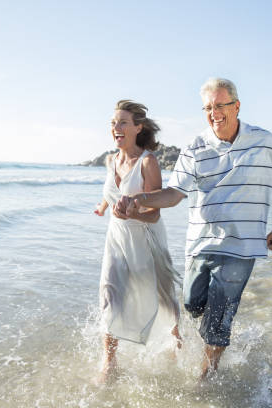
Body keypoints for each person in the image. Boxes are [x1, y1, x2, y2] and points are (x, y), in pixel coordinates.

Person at [116, 78, 272, 381]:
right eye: (208, 107)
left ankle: (208, 374)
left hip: (242, 246)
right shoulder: (195, 147)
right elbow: (174, 193)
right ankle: (215, 334)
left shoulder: (266, 141)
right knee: (192, 303)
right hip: (201, 244)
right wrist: (140, 199)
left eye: (220, 105)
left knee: (217, 318)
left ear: (236, 106)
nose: (214, 112)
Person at [94, 100, 182, 384]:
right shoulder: (111, 159)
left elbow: (155, 212)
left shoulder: (148, 161)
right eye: (112, 123)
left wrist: (135, 211)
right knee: (110, 294)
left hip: (147, 239)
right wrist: (103, 207)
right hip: (117, 240)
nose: (115, 128)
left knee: (164, 296)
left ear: (137, 128)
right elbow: (112, 192)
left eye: (121, 122)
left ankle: (178, 342)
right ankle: (110, 362)